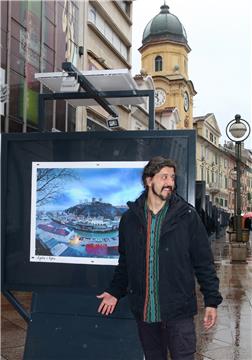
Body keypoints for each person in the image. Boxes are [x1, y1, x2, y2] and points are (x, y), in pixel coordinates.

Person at [97, 156, 222, 360]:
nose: (170, 183)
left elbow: (204, 263)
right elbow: (125, 263)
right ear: (148, 180)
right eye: (164, 177)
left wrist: (211, 301)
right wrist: (114, 291)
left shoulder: (187, 217)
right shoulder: (130, 219)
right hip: (145, 311)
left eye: (172, 177)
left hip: (179, 310)